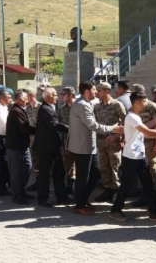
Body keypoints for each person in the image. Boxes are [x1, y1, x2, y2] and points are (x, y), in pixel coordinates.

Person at [109, 91, 156, 222]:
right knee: (126, 184)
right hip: (131, 157)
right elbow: (148, 132)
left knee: (148, 184)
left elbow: (146, 132)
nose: (145, 104)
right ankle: (116, 210)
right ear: (137, 102)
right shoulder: (132, 117)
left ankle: (154, 212)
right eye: (144, 101)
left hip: (139, 155)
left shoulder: (136, 116)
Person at [67, 81, 123, 215]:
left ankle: (83, 199)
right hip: (82, 147)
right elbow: (93, 126)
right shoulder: (82, 105)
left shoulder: (86, 103)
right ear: (87, 91)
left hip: (88, 147)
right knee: (83, 177)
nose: (96, 92)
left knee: (95, 172)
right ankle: (80, 205)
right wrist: (113, 128)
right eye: (93, 90)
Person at [35, 87, 70, 207]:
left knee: (59, 173)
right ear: (48, 97)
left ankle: (62, 197)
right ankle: (43, 199)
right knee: (46, 174)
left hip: (54, 147)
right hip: (47, 148)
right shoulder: (45, 109)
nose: (57, 97)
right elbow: (55, 125)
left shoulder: (51, 107)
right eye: (55, 95)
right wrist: (72, 129)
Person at [93, 82, 127, 203]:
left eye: (100, 90)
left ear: (107, 91)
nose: (97, 92)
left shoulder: (117, 105)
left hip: (114, 141)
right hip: (101, 141)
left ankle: (116, 190)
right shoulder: (97, 106)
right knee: (104, 166)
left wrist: (122, 139)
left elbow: (125, 123)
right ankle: (107, 189)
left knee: (115, 166)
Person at [130, 84, 156, 207]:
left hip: (150, 143)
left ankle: (152, 199)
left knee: (152, 170)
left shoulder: (153, 106)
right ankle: (144, 197)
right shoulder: (133, 107)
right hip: (138, 143)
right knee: (141, 171)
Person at [5, 90, 37, 205]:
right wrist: (39, 131)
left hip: (22, 146)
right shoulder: (16, 111)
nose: (27, 101)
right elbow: (24, 128)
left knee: (26, 168)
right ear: (19, 100)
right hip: (15, 147)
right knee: (17, 172)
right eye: (25, 99)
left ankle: (22, 191)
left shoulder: (19, 110)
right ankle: (17, 196)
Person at [58, 86, 77, 194]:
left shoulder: (79, 107)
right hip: (66, 141)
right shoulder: (61, 108)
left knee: (79, 164)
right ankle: (71, 185)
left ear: (71, 95)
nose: (62, 97)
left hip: (79, 141)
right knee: (68, 164)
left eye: (64, 94)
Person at [25, 89, 41, 192]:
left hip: (39, 138)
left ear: (31, 96)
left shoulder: (40, 107)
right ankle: (37, 181)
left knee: (40, 160)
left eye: (26, 96)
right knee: (35, 161)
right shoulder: (27, 108)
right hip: (31, 138)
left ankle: (41, 182)